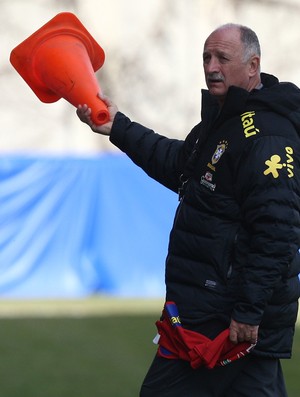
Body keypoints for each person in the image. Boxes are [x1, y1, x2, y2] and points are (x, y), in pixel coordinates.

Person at [77, 23, 300, 396]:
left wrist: (247, 310)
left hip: (220, 317)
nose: (211, 66)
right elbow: (181, 165)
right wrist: (119, 127)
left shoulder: (266, 135)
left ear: (253, 65)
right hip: (220, 311)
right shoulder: (224, 120)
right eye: (206, 57)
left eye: (222, 58)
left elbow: (277, 231)